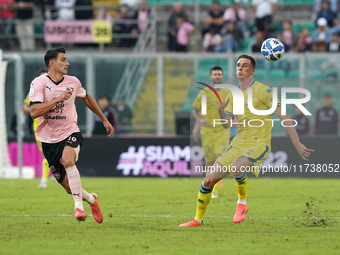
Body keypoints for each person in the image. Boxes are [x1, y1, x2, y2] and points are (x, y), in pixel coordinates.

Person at [179, 54, 313, 227]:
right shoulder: (233, 95)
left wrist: (297, 143)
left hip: (259, 142)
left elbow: (285, 117)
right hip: (238, 142)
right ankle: (198, 220)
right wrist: (221, 112)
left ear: (252, 70)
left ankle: (242, 203)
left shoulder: (263, 91)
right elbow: (227, 125)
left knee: (236, 167)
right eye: (238, 65)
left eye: (244, 65)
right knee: (208, 180)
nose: (240, 68)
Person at [29, 47, 115, 223]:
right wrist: (57, 100)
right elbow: (34, 111)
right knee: (69, 188)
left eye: (67, 60)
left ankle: (78, 208)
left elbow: (86, 97)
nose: (67, 63)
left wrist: (104, 119)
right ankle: (92, 199)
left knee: (68, 160)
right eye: (63, 60)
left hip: (70, 131)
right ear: (52, 63)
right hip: (48, 139)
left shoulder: (73, 82)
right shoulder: (38, 83)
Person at [192, 66, 231, 198]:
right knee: (209, 162)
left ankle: (214, 190)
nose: (217, 76)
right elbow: (195, 110)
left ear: (222, 76)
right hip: (207, 132)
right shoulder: (204, 93)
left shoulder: (227, 93)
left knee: (219, 158)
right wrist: (198, 124)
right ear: (210, 77)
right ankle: (210, 185)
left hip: (222, 131)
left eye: (219, 74)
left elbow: (234, 111)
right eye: (215, 74)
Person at [22, 67, 50, 189]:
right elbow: (24, 107)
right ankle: (44, 179)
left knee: (51, 153)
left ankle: (45, 180)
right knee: (47, 154)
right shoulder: (34, 92)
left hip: (53, 126)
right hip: (38, 127)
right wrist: (35, 110)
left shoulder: (54, 90)